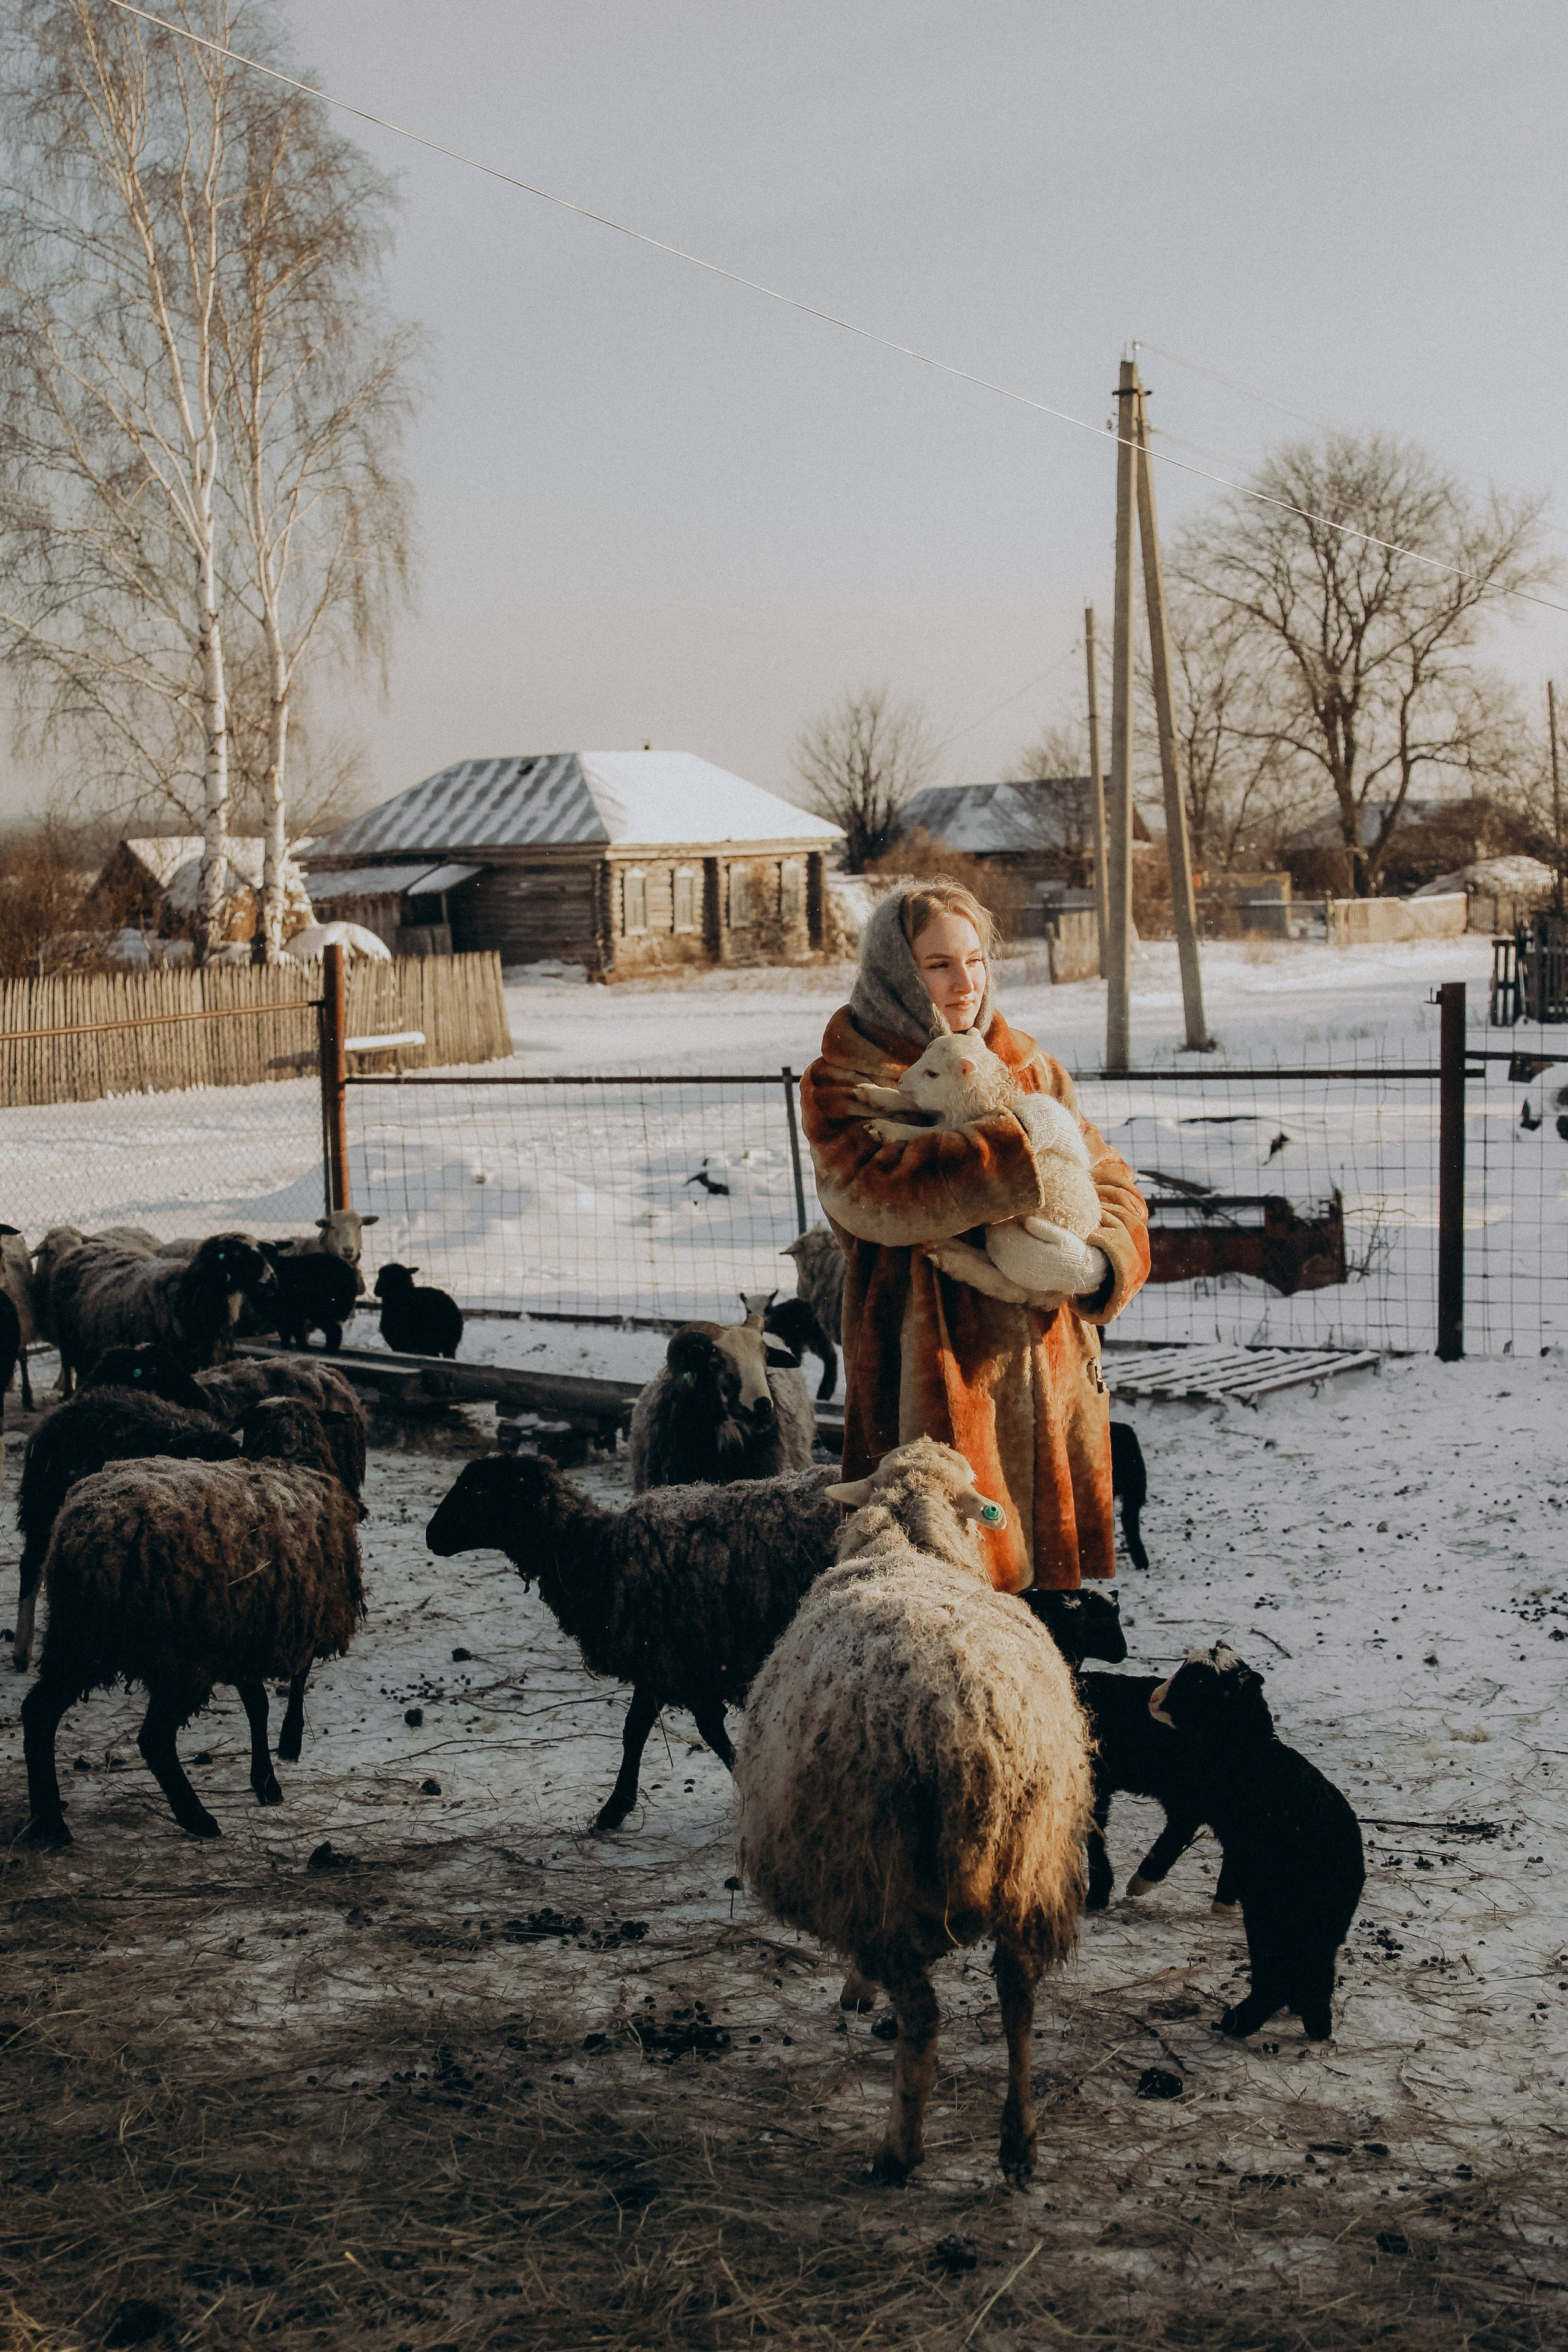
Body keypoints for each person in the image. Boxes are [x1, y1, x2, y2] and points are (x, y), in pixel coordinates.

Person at [801, 880, 1148, 1593]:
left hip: (1047, 1368)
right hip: (929, 1371)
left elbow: (1110, 1178)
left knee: (1050, 1621)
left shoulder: (1026, 1064)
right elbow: (880, 1195)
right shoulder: (845, 1078)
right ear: (897, 971)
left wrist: (1096, 1261)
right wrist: (1025, 1144)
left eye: (976, 958)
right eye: (938, 964)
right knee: (939, 1601)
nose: (965, 982)